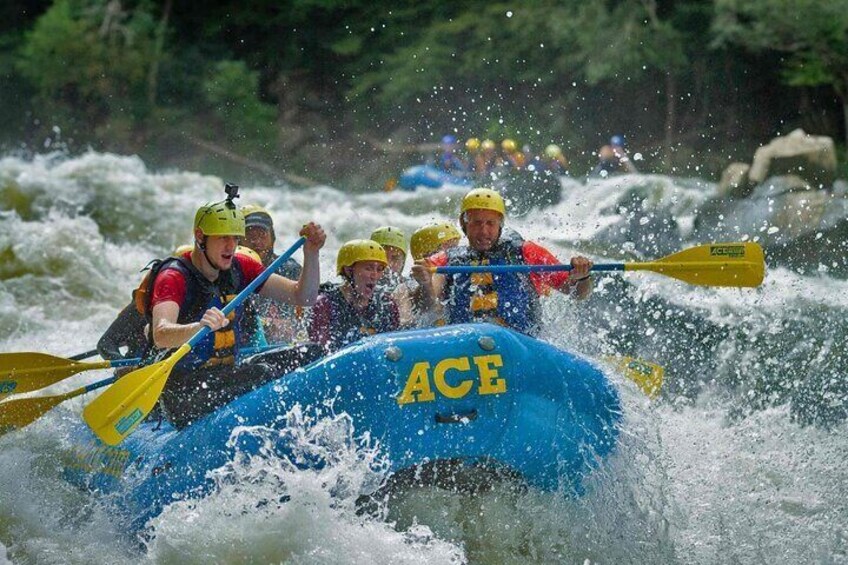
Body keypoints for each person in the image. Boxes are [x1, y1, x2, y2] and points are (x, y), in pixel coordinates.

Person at [146, 192, 326, 428]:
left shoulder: (240, 268)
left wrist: (312, 253)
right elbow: (161, 334)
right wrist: (198, 327)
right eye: (222, 238)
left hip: (227, 375)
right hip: (184, 391)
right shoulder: (174, 276)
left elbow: (303, 296)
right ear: (200, 237)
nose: (231, 246)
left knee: (311, 353)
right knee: (262, 374)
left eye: (235, 237)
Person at [411, 188, 593, 335]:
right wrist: (425, 283)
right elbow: (427, 307)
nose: (483, 231)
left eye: (490, 223)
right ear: (464, 225)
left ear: (500, 225)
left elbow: (575, 292)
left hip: (521, 346)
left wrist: (582, 277)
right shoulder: (446, 260)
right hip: (465, 347)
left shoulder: (526, 252)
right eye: (476, 223)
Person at [309, 239, 401, 352]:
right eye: (368, 268)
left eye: (379, 269)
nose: (375, 275)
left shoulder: (387, 305)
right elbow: (318, 355)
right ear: (348, 271)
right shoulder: (325, 305)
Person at [241, 204, 305, 345]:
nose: (257, 242)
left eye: (263, 235)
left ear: (273, 238)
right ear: (238, 241)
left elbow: (303, 319)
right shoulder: (231, 272)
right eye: (250, 236)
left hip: (283, 344)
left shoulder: (290, 269)